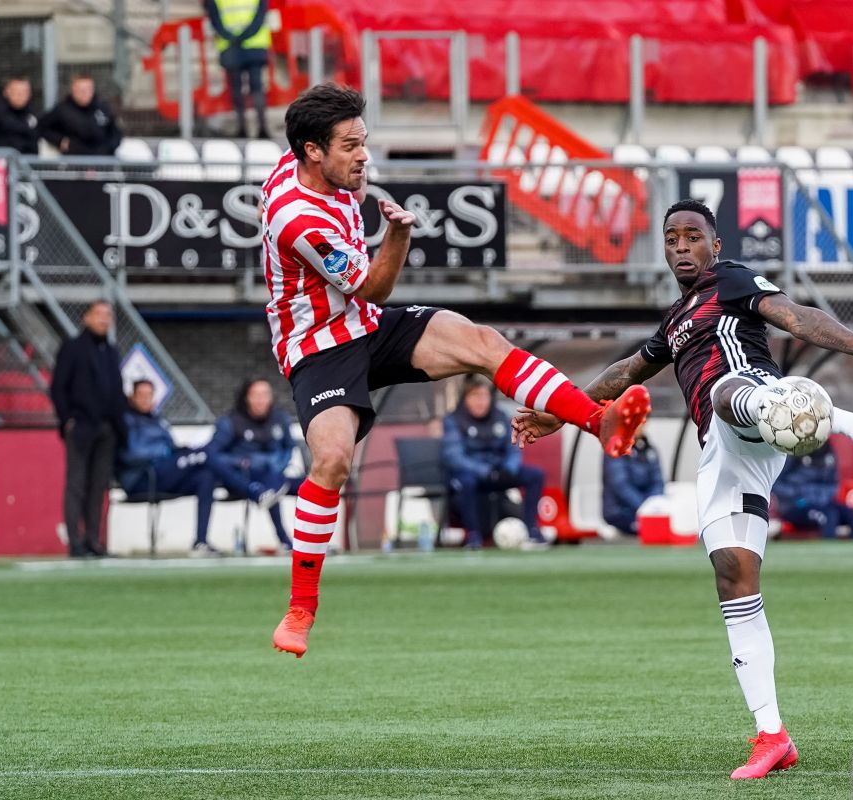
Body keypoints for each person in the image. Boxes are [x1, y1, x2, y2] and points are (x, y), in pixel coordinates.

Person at [512, 199, 853, 779]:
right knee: (733, 576)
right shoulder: (674, 322)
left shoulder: (731, 282)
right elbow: (625, 373)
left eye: (692, 237)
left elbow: (797, 316)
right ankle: (772, 734)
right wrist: (560, 412)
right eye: (671, 238)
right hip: (726, 457)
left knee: (726, 390)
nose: (681, 247)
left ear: (715, 245)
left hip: (753, 401)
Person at [265, 83, 651, 658]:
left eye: (364, 141)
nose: (363, 155)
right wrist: (397, 235)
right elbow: (374, 282)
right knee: (332, 459)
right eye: (350, 145)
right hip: (318, 346)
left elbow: (367, 298)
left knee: (482, 340)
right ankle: (301, 607)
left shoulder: (323, 166)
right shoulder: (296, 218)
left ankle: (598, 422)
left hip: (367, 323)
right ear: (311, 152)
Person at [118, 379, 286, 555]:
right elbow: (131, 453)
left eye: (149, 395)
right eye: (141, 395)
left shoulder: (157, 420)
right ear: (132, 397)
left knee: (206, 476)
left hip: (164, 473)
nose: (146, 400)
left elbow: (170, 447)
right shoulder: (126, 421)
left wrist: (177, 450)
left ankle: (200, 543)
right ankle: (254, 492)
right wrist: (166, 451)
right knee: (205, 454)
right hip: (143, 478)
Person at [49, 300, 127, 557]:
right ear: (86, 318)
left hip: (107, 429)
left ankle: (94, 539)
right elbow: (58, 387)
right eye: (99, 314)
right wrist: (67, 420)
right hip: (81, 427)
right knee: (76, 485)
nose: (104, 320)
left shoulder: (111, 352)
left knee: (98, 486)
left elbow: (116, 390)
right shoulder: (73, 348)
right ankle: (75, 541)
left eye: (108, 315)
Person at [442, 375, 547, 549]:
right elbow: (455, 457)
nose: (480, 401)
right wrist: (485, 471)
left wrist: (508, 469)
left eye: (484, 396)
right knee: (466, 481)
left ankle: (532, 530)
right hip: (475, 474)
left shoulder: (501, 417)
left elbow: (513, 448)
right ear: (465, 399)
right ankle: (473, 536)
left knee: (535, 475)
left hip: (500, 472)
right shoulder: (453, 420)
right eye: (475, 396)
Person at [208, 378, 301, 550]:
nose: (261, 400)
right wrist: (241, 462)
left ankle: (313, 539)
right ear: (246, 398)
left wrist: (278, 465)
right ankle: (286, 541)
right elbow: (213, 453)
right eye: (256, 395)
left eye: (265, 394)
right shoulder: (231, 421)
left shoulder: (280, 418)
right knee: (269, 486)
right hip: (243, 477)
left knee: (310, 486)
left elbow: (289, 447)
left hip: (276, 474)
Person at [771, 441, 853, 539]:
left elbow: (833, 482)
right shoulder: (793, 450)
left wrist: (824, 497)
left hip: (824, 503)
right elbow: (776, 482)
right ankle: (828, 552)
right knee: (829, 516)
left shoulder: (827, 450)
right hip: (795, 505)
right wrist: (798, 496)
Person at [204, 0, 271, 139]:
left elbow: (214, 17)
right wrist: (245, 35)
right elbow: (261, 14)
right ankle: (261, 128)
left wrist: (232, 37)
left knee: (238, 88)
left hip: (231, 45)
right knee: (254, 87)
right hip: (252, 43)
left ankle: (244, 129)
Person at [601, 428, 666, 536]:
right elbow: (621, 486)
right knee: (653, 532)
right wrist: (645, 507)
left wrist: (653, 507)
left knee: (661, 530)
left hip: (647, 511)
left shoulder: (650, 450)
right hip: (620, 513)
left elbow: (658, 482)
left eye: (643, 420)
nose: (640, 425)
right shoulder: (615, 449)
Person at [38, 74, 122, 156]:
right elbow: (42, 127)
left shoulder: (103, 108)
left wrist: (107, 150)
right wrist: (60, 141)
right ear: (73, 90)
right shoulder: (62, 109)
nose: (84, 93)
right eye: (80, 89)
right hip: (75, 162)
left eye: (87, 89)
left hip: (102, 161)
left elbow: (115, 133)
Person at [0, 76, 39, 154]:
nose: (21, 96)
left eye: (25, 92)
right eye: (17, 92)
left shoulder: (30, 114)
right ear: (6, 92)